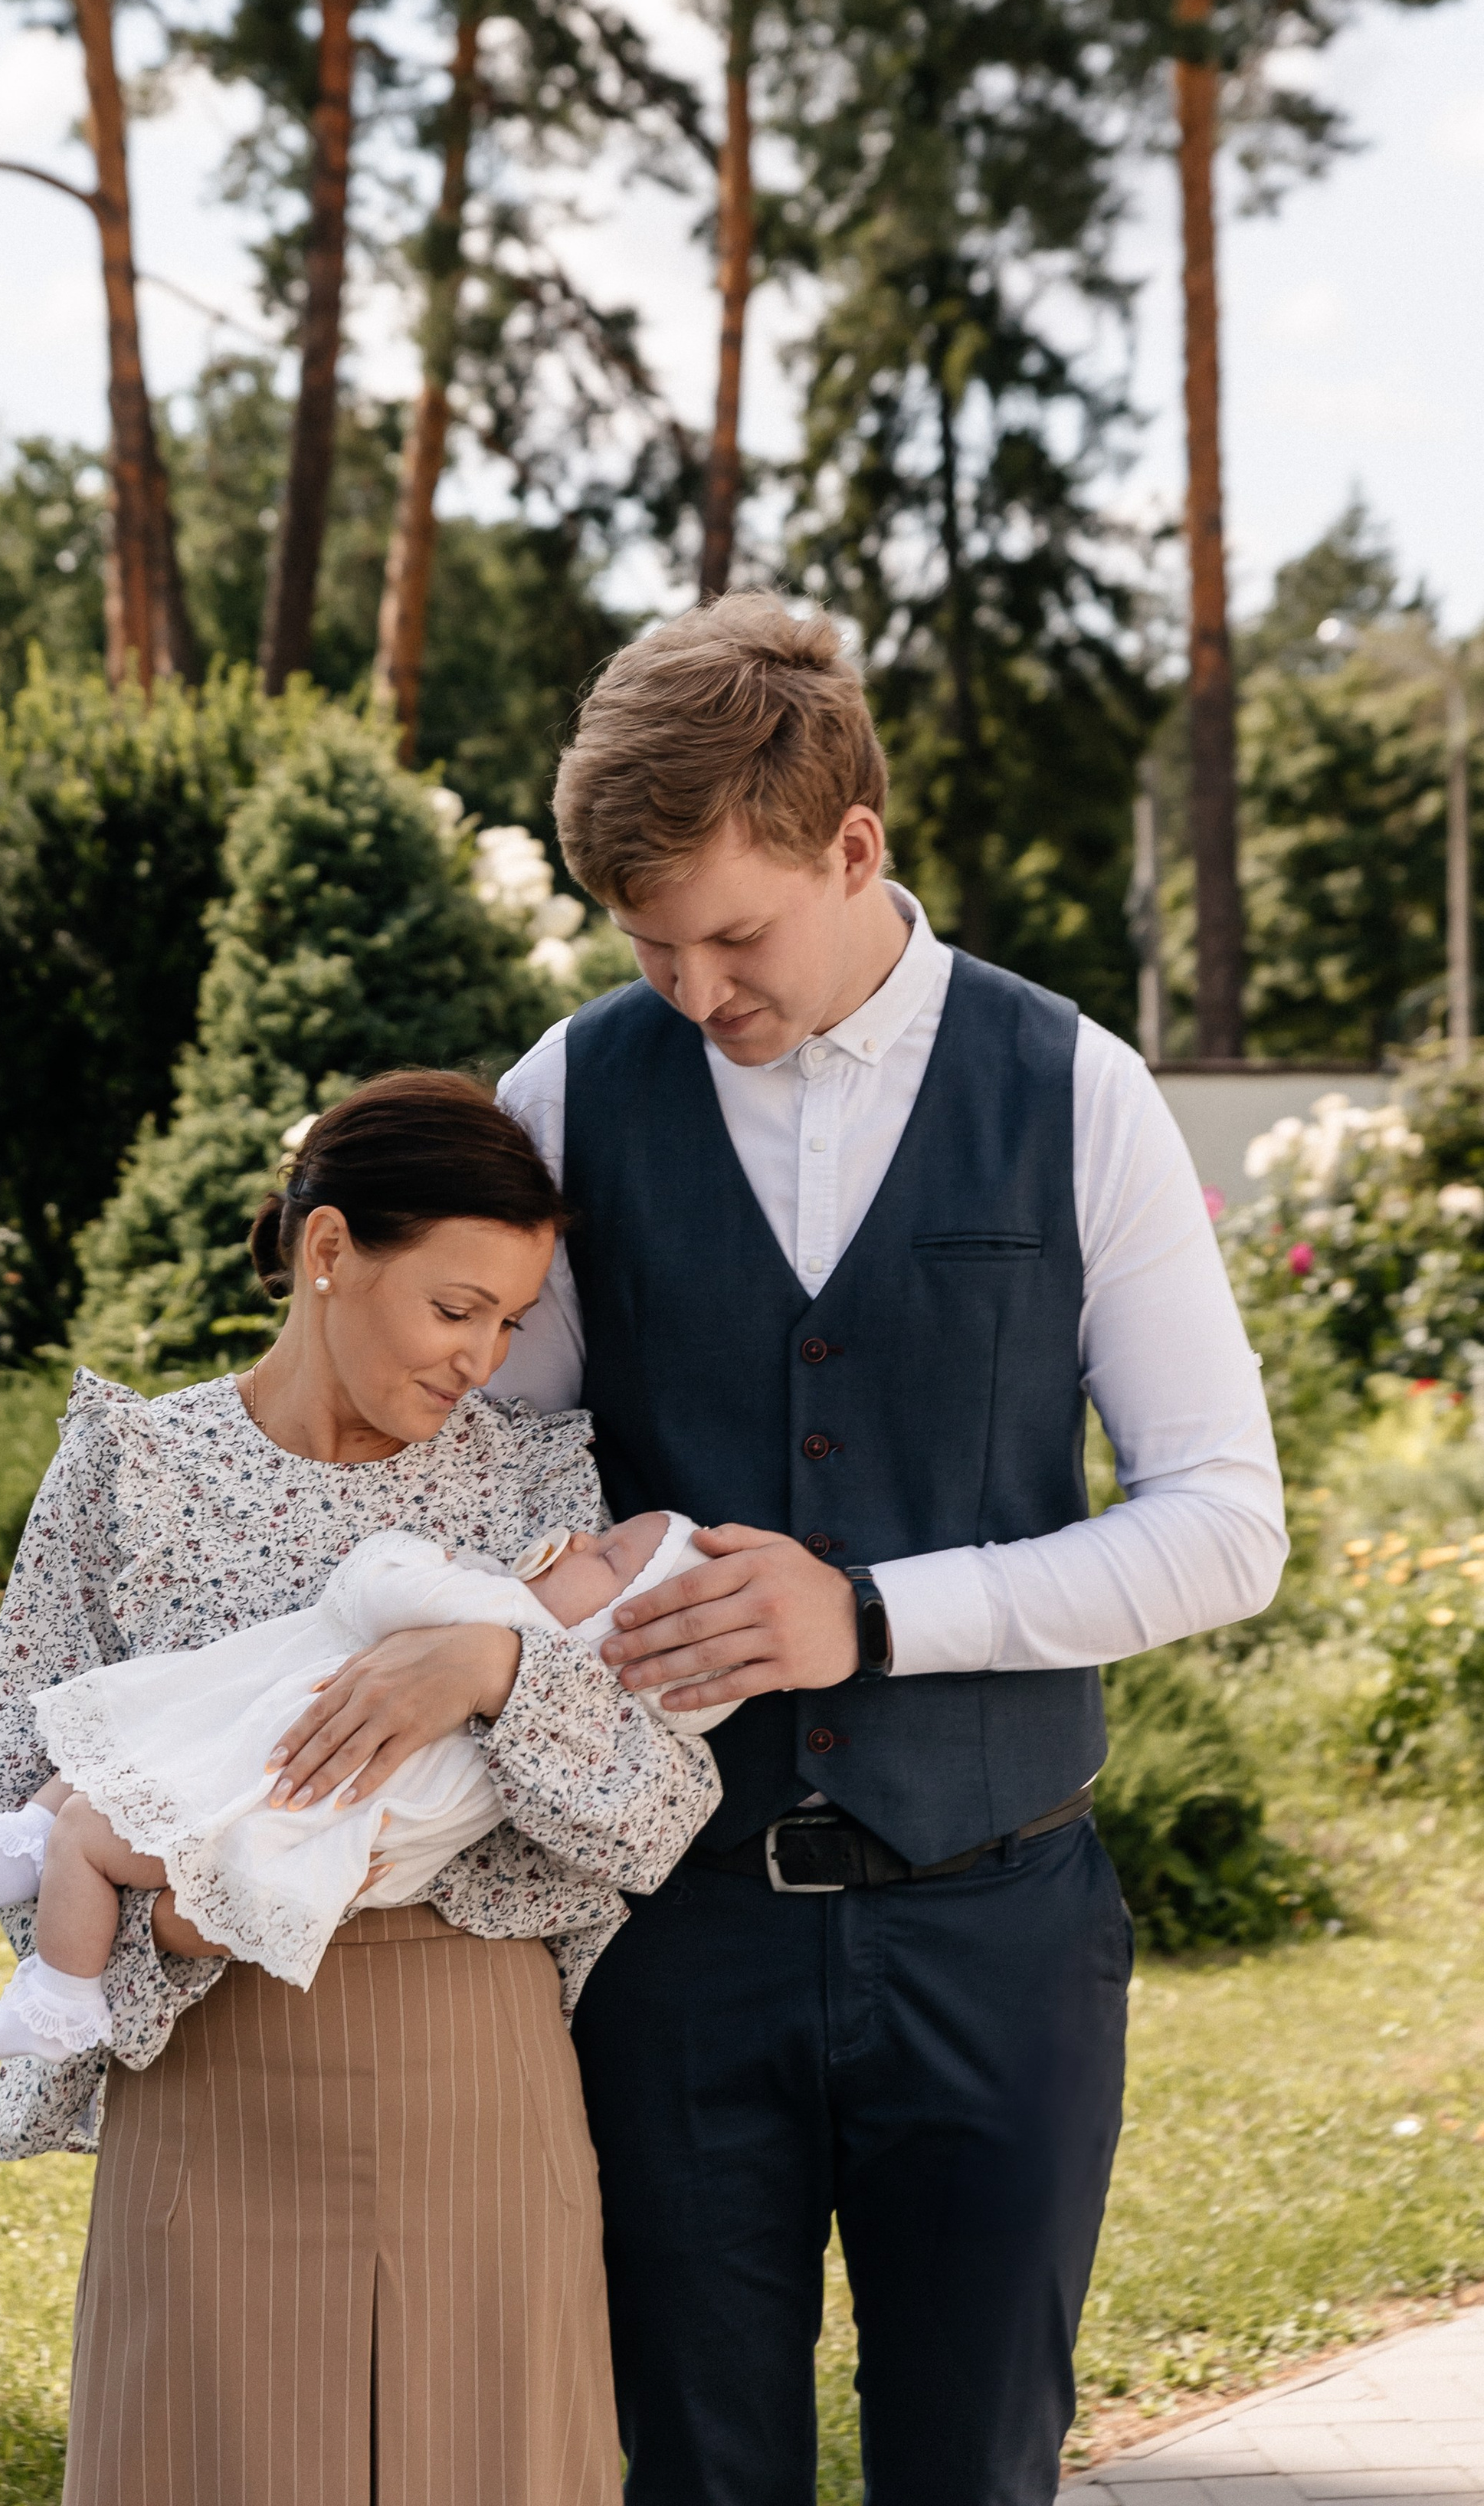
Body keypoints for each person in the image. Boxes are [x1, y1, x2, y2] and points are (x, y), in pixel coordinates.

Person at [490, 593, 1287, 2506]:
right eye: (646, 941)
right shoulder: (563, 1096)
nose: (690, 987)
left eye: (732, 932)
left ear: (853, 845)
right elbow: (479, 1503)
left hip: (995, 1928)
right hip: (667, 1942)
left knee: (976, 2472)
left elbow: (1222, 1520)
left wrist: (865, 1614)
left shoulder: (1070, 1085)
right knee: (690, 2472)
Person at [0, 1068, 722, 2506]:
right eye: (453, 1308)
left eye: (510, 1319)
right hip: (216, 2079)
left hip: (476, 2080)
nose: (482, 1357)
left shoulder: (535, 1488)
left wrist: (494, 1667)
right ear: (327, 1253)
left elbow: (658, 1809)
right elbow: (11, 1795)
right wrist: (164, 1934)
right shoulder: (132, 1469)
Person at [0, 1507, 730, 2043]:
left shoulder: (506, 1619)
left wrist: (424, 1553)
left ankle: (58, 1998)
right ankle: (20, 1842)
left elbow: (374, 1586)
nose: (580, 1536)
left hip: (278, 1826)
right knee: (137, 1738)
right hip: (294, 1825)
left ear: (624, 1630)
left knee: (93, 1832)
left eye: (611, 1551)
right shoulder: (545, 1685)